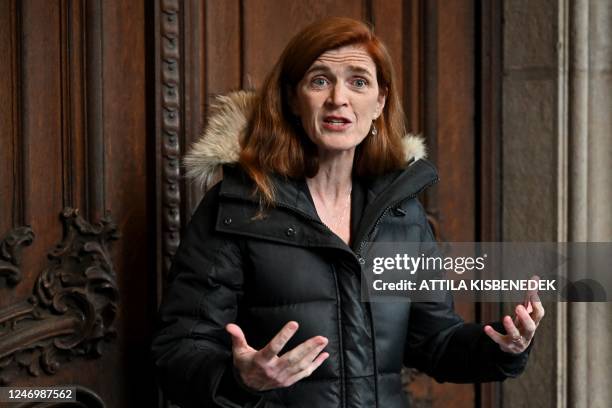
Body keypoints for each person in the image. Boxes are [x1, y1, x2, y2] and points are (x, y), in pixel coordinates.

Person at [151, 17, 544, 408]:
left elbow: (434, 342)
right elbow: (177, 352)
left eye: (358, 81)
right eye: (319, 80)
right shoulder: (236, 207)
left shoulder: (401, 215)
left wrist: (502, 346)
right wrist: (242, 379)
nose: (338, 98)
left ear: (379, 102)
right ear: (292, 99)